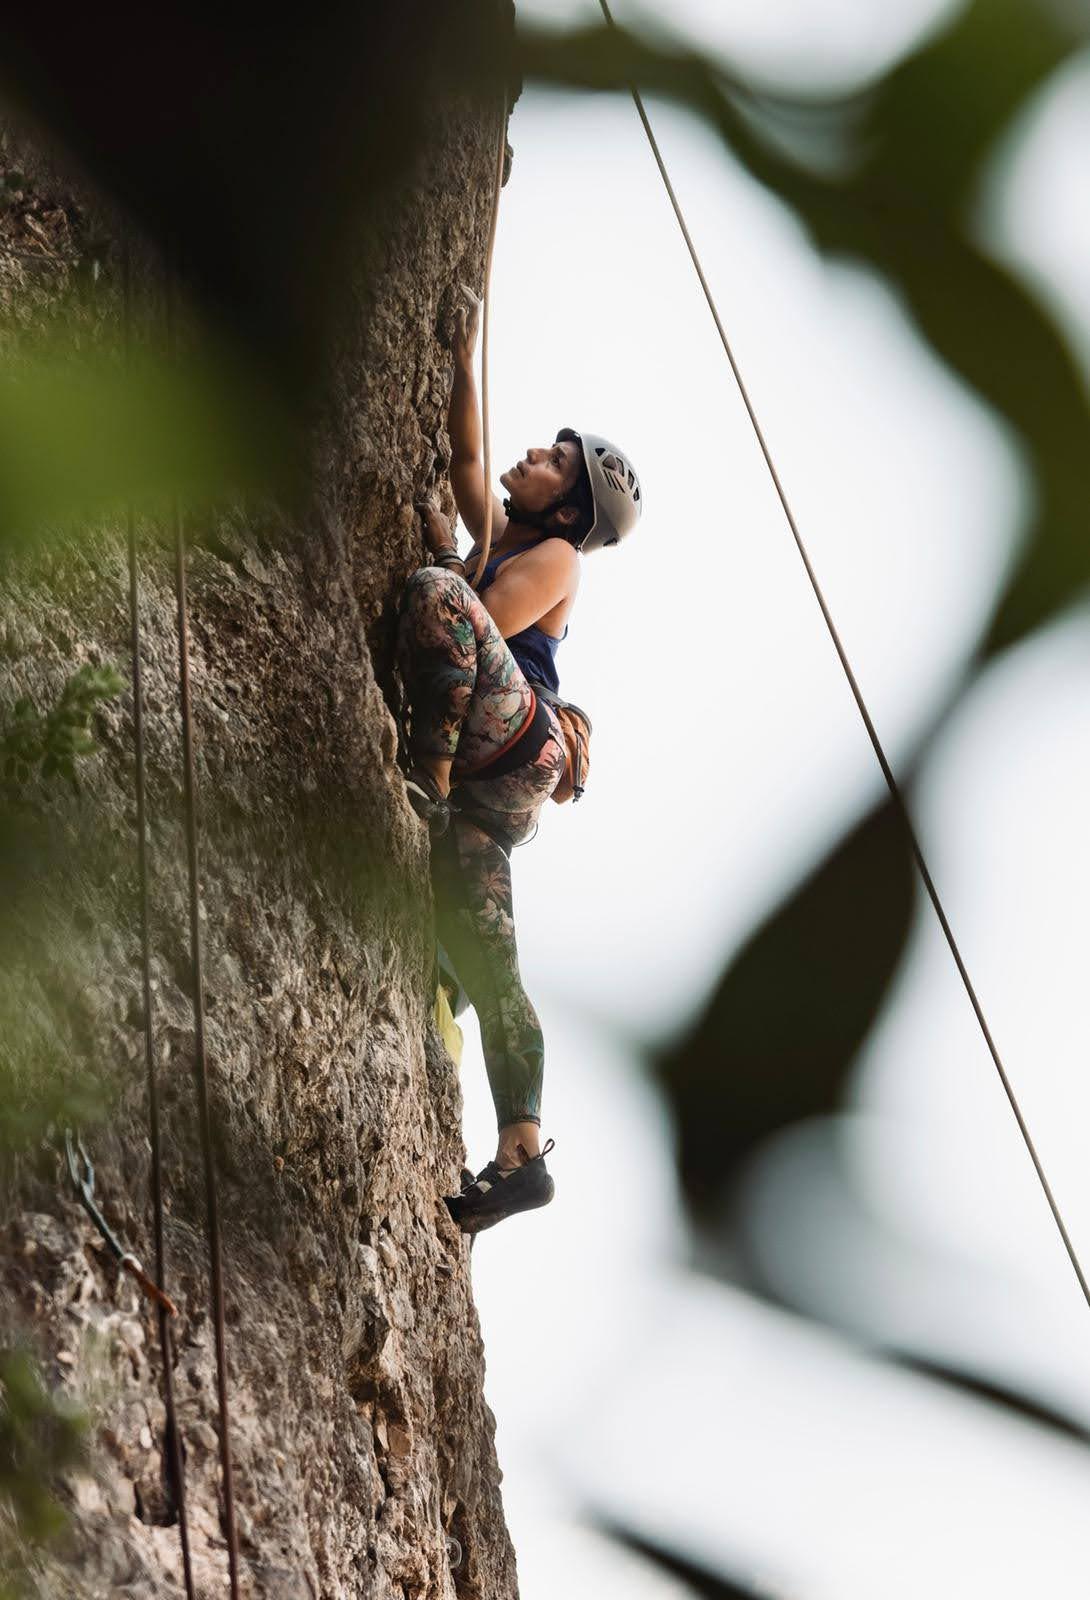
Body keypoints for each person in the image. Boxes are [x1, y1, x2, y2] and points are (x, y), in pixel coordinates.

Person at [396, 287, 642, 1234]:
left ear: (571, 506)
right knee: (489, 958)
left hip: (512, 737)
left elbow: (483, 620)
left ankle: (427, 783)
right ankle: (521, 1153)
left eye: (554, 463)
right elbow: (468, 459)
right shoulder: (510, 537)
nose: (534, 456)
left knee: (436, 592)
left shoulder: (558, 561)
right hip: (505, 782)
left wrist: (451, 562)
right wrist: (463, 354)